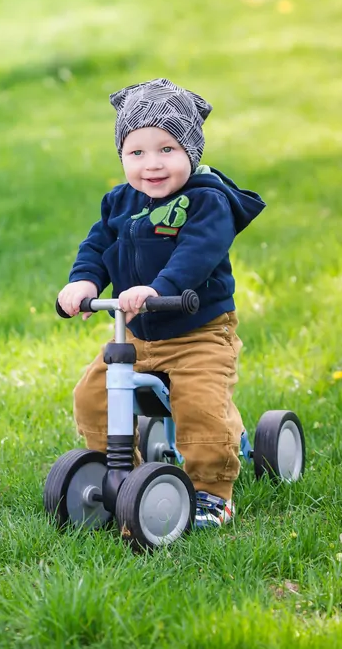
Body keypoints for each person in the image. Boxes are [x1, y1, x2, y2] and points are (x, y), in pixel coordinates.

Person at [56, 78, 266, 529]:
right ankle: (122, 477)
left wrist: (158, 287)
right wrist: (83, 282)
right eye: (137, 153)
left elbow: (198, 253)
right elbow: (97, 246)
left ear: (191, 150)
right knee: (92, 397)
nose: (152, 164)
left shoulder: (207, 202)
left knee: (200, 407)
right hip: (136, 336)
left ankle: (212, 491)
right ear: (123, 157)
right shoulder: (120, 202)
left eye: (167, 149)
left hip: (199, 333)